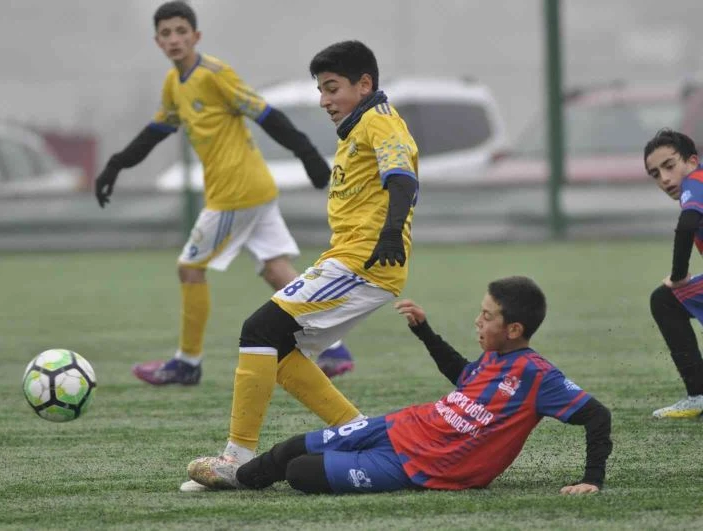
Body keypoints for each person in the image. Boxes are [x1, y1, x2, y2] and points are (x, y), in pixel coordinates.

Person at [185, 40, 419, 492]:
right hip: (348, 260)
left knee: (259, 329)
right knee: (278, 350)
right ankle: (361, 436)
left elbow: (402, 179)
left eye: (332, 88)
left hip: (363, 264)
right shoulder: (359, 126)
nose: (324, 100)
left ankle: (237, 460)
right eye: (320, 90)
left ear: (364, 84)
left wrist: (391, 232)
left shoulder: (380, 121)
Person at [94, 1, 354, 386]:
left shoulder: (215, 74)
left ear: (196, 36)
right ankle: (335, 349)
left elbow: (266, 114)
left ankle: (187, 363)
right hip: (253, 189)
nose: (174, 39)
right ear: (158, 41)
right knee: (276, 270)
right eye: (166, 33)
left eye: (181, 31)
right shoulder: (174, 84)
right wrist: (116, 164)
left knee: (189, 268)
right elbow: (156, 132)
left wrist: (309, 155)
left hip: (236, 193)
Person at [226, 276, 613, 494]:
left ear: (514, 329)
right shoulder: (494, 357)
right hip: (403, 426)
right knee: (291, 448)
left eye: (487, 315)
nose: (478, 321)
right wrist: (424, 331)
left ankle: (235, 478)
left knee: (300, 472)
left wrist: (591, 480)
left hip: (420, 465)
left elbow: (598, 416)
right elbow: (463, 376)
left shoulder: (538, 375)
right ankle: (231, 478)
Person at [645, 128, 703, 418]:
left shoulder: (696, 181)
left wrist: (678, 275)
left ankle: (698, 395)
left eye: (669, 166)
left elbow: (687, 224)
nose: (664, 179)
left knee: (665, 300)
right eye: (655, 174)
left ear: (692, 161)